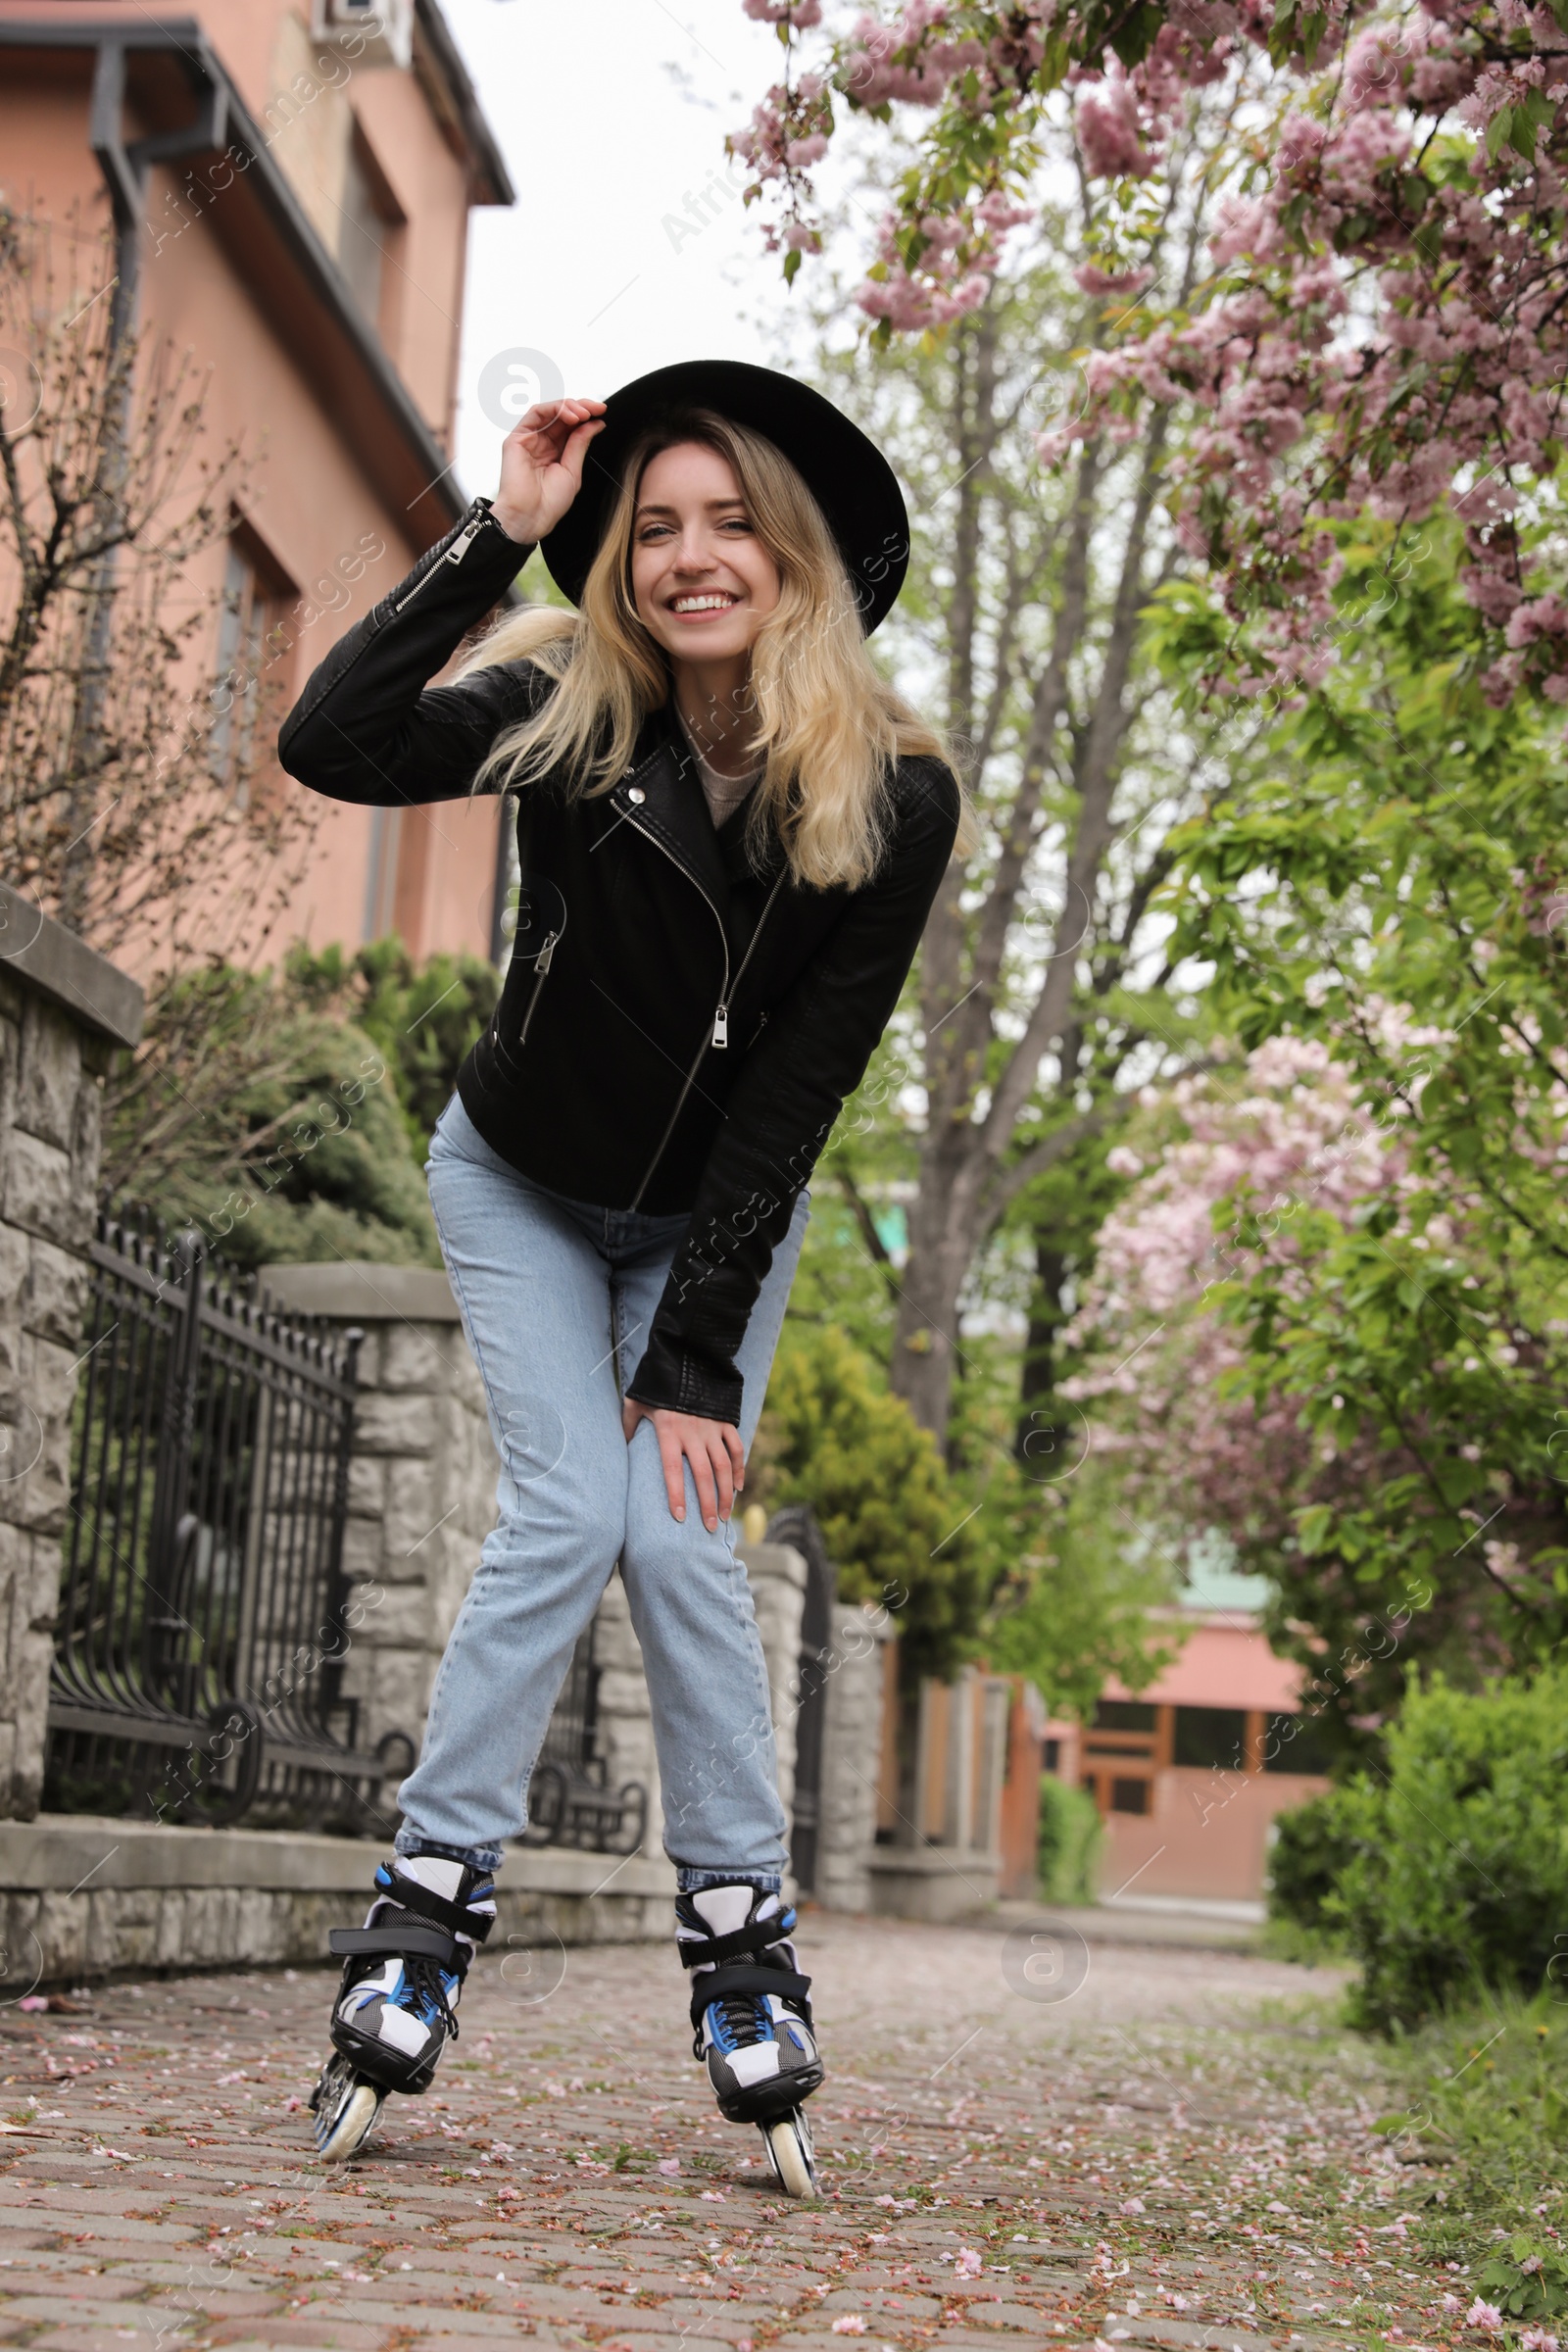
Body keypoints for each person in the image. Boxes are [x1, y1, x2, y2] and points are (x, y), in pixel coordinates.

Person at [276, 360, 969, 2191]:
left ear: (798, 551)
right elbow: (329, 745)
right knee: (566, 1518)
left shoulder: (896, 795)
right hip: (518, 1177)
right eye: (653, 527)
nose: (689, 557)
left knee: (675, 1530)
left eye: (731, 521)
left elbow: (798, 1098)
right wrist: (488, 539)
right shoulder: (557, 701)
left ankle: (743, 1953)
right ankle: (428, 1909)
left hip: (716, 1220)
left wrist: (695, 1362)